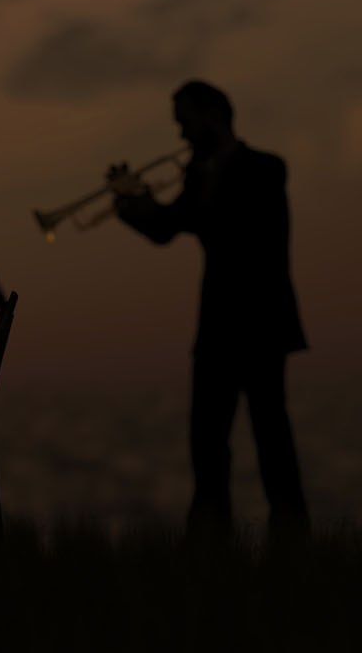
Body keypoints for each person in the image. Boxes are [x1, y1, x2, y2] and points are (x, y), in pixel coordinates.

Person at [112, 80, 308, 539]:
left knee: (272, 439)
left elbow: (225, 225)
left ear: (213, 114)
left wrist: (166, 196)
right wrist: (132, 206)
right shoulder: (200, 175)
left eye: (185, 118)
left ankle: (294, 542)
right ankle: (209, 543)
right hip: (218, 325)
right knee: (207, 442)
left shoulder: (266, 168)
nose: (180, 131)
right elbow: (167, 230)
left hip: (260, 323)